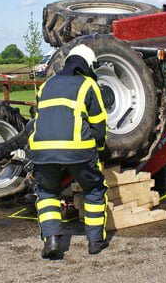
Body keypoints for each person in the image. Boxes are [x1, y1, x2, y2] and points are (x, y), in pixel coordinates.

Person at [28, 44, 108, 260]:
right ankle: (95, 242)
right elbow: (99, 125)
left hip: (42, 150)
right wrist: (99, 151)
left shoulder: (46, 85)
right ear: (88, 64)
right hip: (78, 149)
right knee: (93, 188)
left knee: (47, 192)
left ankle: (52, 240)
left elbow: (40, 119)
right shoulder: (88, 84)